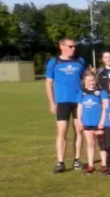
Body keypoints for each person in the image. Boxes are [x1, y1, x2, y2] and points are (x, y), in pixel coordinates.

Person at [45, 37, 86, 173]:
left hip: (78, 101)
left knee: (79, 130)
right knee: (62, 131)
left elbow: (86, 79)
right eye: (70, 46)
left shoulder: (80, 61)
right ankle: (60, 162)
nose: (73, 49)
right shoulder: (54, 62)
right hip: (62, 101)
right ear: (61, 46)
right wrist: (52, 102)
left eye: (74, 46)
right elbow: (49, 83)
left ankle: (77, 160)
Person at [77, 70, 106, 174]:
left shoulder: (100, 93)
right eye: (89, 80)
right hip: (87, 123)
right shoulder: (82, 93)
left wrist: (102, 120)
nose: (91, 82)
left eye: (93, 80)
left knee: (101, 144)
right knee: (90, 144)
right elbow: (80, 107)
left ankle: (104, 165)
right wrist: (79, 120)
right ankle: (91, 165)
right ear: (84, 82)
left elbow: (104, 108)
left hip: (98, 123)